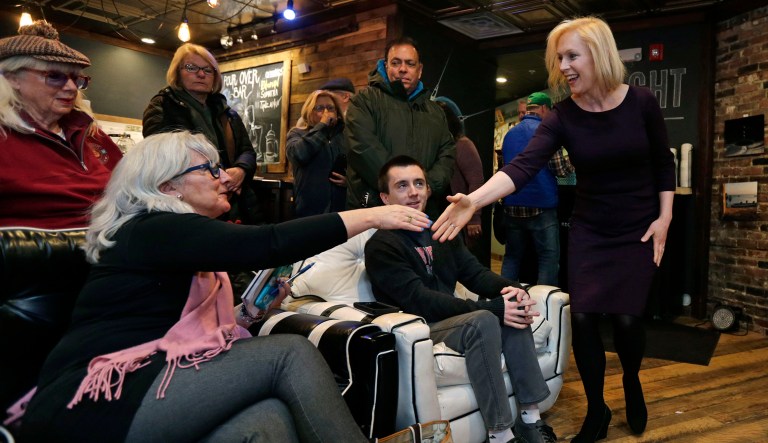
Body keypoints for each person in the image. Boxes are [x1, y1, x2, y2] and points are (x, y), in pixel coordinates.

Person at [16, 131, 430, 443]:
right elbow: (268, 242)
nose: (223, 178)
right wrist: (374, 215)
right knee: (287, 353)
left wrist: (247, 316)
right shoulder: (150, 228)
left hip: (147, 381)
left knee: (269, 420)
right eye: (208, 170)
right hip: (97, 400)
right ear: (167, 186)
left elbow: (168, 325)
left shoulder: (173, 240)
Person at [432, 17, 675, 442]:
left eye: (571, 56)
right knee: (581, 318)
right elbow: (522, 167)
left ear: (597, 54)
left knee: (627, 322)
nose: (563, 66)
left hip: (637, 228)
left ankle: (632, 380)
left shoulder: (641, 102)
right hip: (590, 230)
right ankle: (597, 409)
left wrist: (664, 218)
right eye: (559, 58)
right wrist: (475, 200)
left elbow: (662, 163)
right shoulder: (562, 116)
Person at [365, 156, 557, 443]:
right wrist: (491, 307)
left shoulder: (441, 230)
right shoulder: (381, 245)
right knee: (483, 319)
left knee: (512, 309)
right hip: (418, 327)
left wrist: (512, 289)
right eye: (402, 186)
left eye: (419, 183)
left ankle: (531, 420)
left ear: (428, 189)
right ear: (385, 197)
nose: (413, 192)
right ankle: (501, 434)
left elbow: (475, 274)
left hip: (453, 319)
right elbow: (420, 301)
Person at [0, 20, 122, 229]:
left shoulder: (90, 132)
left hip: (112, 242)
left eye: (76, 79)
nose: (71, 88)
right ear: (13, 78)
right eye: (54, 76)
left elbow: (129, 185)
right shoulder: (5, 137)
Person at [142, 43, 258, 225]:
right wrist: (216, 175)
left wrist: (241, 169)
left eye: (207, 70)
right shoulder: (162, 106)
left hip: (234, 202)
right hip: (187, 206)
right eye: (191, 67)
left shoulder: (227, 113)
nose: (201, 74)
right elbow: (163, 158)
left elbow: (248, 151)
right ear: (177, 72)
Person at [344, 36, 456, 217]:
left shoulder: (436, 112)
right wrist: (400, 188)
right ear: (386, 66)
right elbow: (362, 149)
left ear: (419, 70)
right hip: (375, 210)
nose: (402, 69)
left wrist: (426, 187)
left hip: (424, 211)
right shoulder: (364, 101)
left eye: (410, 64)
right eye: (396, 63)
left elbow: (447, 155)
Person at [501, 92, 574, 285]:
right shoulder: (547, 132)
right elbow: (561, 171)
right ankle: (544, 308)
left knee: (512, 258)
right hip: (541, 207)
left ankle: (502, 304)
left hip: (512, 206)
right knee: (547, 259)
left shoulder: (509, 134)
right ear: (543, 109)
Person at [286, 89, 347, 217]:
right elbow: (299, 155)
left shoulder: (345, 136)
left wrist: (350, 182)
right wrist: (322, 126)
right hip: (309, 213)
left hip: (342, 211)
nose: (326, 113)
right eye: (319, 108)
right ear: (309, 111)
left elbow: (358, 168)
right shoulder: (297, 133)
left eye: (330, 108)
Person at [434, 96, 484, 242]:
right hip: (436, 214)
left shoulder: (462, 144)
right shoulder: (433, 145)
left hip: (457, 216)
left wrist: (474, 218)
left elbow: (476, 182)